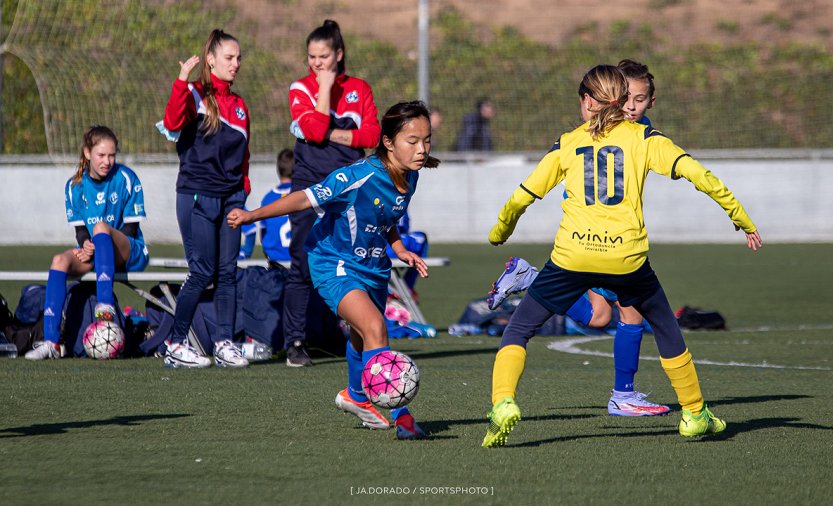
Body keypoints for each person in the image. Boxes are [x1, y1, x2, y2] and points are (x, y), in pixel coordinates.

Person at [481, 64, 762, 448]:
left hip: (572, 257)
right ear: (624, 100)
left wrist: (501, 232)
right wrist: (740, 217)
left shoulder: (567, 142)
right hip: (626, 260)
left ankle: (503, 404)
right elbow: (699, 174)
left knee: (519, 329)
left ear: (586, 100)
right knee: (665, 327)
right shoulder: (645, 137)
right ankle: (695, 413)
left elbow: (522, 196)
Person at [229, 101, 438, 439]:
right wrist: (252, 215)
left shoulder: (411, 175)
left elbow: (385, 216)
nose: (422, 149)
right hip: (333, 263)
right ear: (388, 142)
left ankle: (355, 396)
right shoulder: (357, 176)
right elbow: (303, 199)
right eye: (412, 141)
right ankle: (403, 416)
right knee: (374, 327)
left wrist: (399, 248)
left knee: (361, 334)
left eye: (427, 140)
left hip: (373, 267)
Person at [486, 59, 670, 417]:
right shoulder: (593, 132)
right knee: (630, 314)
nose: (631, 106)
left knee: (600, 316)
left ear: (652, 101)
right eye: (625, 98)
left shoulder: (641, 132)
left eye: (640, 99)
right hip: (598, 243)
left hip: (604, 243)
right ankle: (623, 394)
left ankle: (530, 277)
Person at [285, 19, 380, 367]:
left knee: (354, 259)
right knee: (302, 262)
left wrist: (336, 136)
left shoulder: (359, 88)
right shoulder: (301, 88)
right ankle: (296, 341)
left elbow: (371, 137)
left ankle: (358, 333)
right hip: (310, 186)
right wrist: (323, 89)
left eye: (323, 56)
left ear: (339, 54)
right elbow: (313, 129)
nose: (316, 63)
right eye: (311, 56)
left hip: (351, 187)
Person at [160, 28, 250, 368]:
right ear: (210, 60)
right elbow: (172, 121)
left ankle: (225, 343)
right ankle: (175, 343)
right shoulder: (195, 94)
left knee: (228, 272)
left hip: (232, 198)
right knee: (202, 271)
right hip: (197, 195)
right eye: (229, 57)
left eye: (239, 57)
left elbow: (244, 157)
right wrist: (182, 81)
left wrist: (243, 193)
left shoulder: (240, 105)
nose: (236, 63)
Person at [25, 125, 148, 360]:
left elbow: (130, 229)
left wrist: (100, 241)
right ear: (87, 153)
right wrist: (86, 245)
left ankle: (106, 306)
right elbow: (80, 231)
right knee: (59, 260)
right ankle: (52, 342)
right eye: (101, 155)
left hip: (129, 251)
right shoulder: (74, 187)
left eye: (112, 155)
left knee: (102, 227)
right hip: (98, 253)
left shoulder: (126, 178)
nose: (107, 161)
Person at [239, 148, 294, 265]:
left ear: (278, 169)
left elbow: (263, 232)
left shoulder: (268, 198)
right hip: (299, 260)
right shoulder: (303, 195)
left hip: (274, 259)